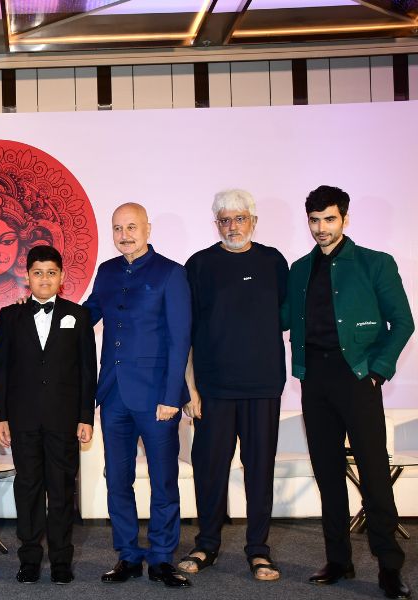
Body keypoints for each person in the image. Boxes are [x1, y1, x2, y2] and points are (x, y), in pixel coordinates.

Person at [283, 186, 414, 599]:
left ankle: (390, 567)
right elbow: (281, 317)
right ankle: (338, 560)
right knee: (328, 475)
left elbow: (403, 322)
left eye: (330, 219)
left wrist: (376, 372)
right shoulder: (299, 269)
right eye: (314, 220)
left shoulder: (375, 263)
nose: (321, 228)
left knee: (374, 475)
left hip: (357, 379)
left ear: (345, 219)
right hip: (314, 380)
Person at [178, 190, 288, 581]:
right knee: (209, 472)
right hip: (213, 390)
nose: (232, 226)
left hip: (262, 386)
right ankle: (206, 544)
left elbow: (289, 318)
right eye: (224, 220)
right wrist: (189, 388)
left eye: (240, 218)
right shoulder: (199, 265)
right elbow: (185, 332)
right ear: (216, 224)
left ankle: (259, 551)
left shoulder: (274, 262)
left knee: (260, 472)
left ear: (253, 221)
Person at [83, 203, 192, 588]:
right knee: (117, 479)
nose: (124, 235)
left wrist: (172, 396)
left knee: (164, 481)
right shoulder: (107, 271)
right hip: (113, 395)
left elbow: (180, 339)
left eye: (131, 227)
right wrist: (45, 310)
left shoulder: (171, 273)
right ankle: (127, 555)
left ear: (147, 229)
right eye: (118, 228)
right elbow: (87, 315)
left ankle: (161, 558)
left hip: (157, 397)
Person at [0, 245, 97, 585]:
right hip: (22, 420)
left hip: (64, 420)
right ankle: (30, 559)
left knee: (62, 490)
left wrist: (85, 416)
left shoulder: (78, 315)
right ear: (27, 277)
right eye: (37, 273)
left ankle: (62, 560)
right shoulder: (10, 316)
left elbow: (87, 371)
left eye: (51, 272)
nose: (44, 279)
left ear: (61, 276)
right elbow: (1, 370)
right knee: (28, 489)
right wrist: (1, 416)